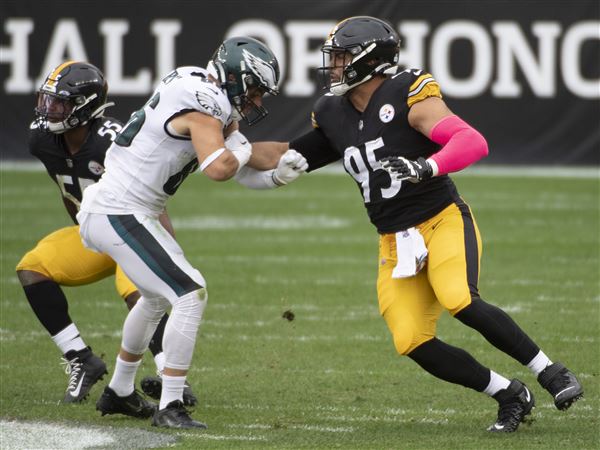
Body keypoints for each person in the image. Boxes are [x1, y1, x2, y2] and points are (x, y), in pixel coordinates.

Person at [246, 16, 583, 433]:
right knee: (410, 339)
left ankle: (552, 372)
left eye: (342, 57)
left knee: (459, 298)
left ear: (369, 59)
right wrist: (224, 150)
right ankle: (508, 393)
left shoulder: (407, 91)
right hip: (394, 241)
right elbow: (284, 155)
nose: (333, 66)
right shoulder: (332, 112)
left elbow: (471, 141)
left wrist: (426, 166)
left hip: (441, 220)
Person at [77, 37, 304, 429]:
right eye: (254, 90)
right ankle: (170, 405)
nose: (258, 102)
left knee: (154, 299)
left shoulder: (206, 93)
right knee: (190, 291)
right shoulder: (204, 101)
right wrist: (252, 158)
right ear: (234, 77)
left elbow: (243, 164)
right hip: (119, 207)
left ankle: (120, 391)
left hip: (130, 208)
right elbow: (220, 168)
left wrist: (280, 175)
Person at [14, 61, 199, 405]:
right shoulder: (42, 138)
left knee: (140, 291)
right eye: (49, 100)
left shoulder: (112, 143)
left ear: (84, 106)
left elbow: (156, 205)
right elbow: (69, 191)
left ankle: (167, 374)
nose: (49, 109)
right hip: (94, 232)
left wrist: (167, 253)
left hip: (135, 232)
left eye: (61, 103)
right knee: (32, 268)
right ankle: (81, 359)